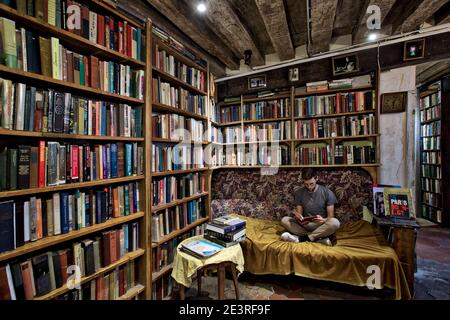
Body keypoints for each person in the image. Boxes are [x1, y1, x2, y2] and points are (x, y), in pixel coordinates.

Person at [280, 168, 340, 246]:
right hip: (305, 226)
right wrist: (299, 218)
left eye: (311, 183)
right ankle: (317, 239)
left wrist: (323, 220)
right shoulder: (299, 193)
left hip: (320, 226)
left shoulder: (327, 193)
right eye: (306, 184)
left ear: (316, 179)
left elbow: (330, 217)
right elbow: (300, 215)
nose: (309, 187)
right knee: (284, 220)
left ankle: (301, 239)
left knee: (335, 222)